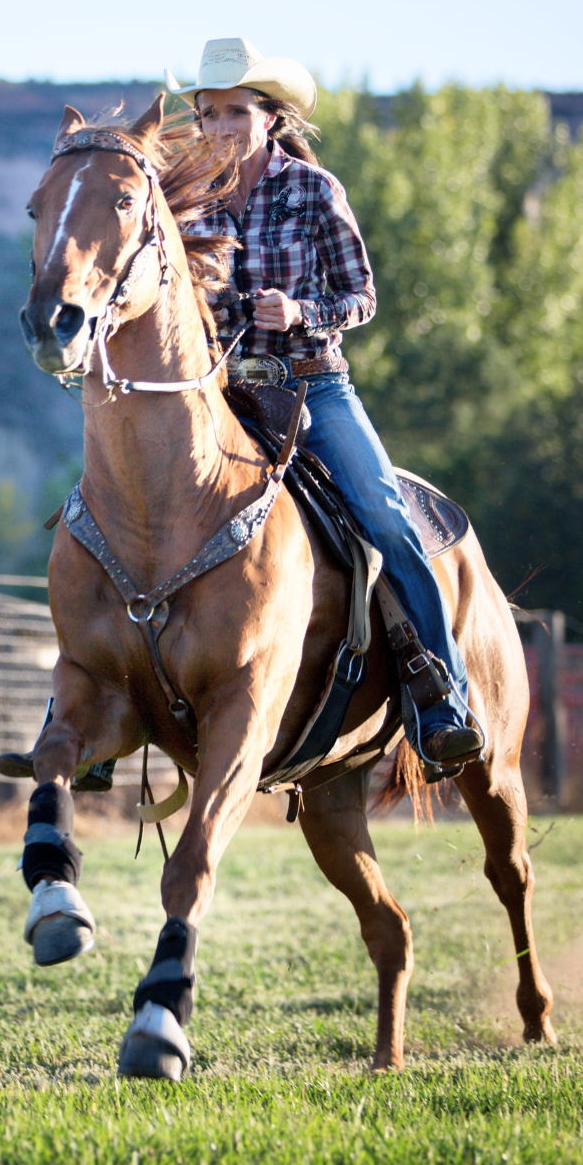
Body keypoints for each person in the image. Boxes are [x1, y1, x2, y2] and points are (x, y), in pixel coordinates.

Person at [164, 38, 481, 769]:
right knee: (123, 503)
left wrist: (301, 312)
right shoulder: (186, 201)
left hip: (313, 386)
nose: (220, 127)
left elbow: (362, 296)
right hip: (219, 393)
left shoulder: (313, 190)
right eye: (209, 114)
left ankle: (442, 700)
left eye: (236, 112)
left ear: (270, 118)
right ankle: (85, 705)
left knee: (385, 517)